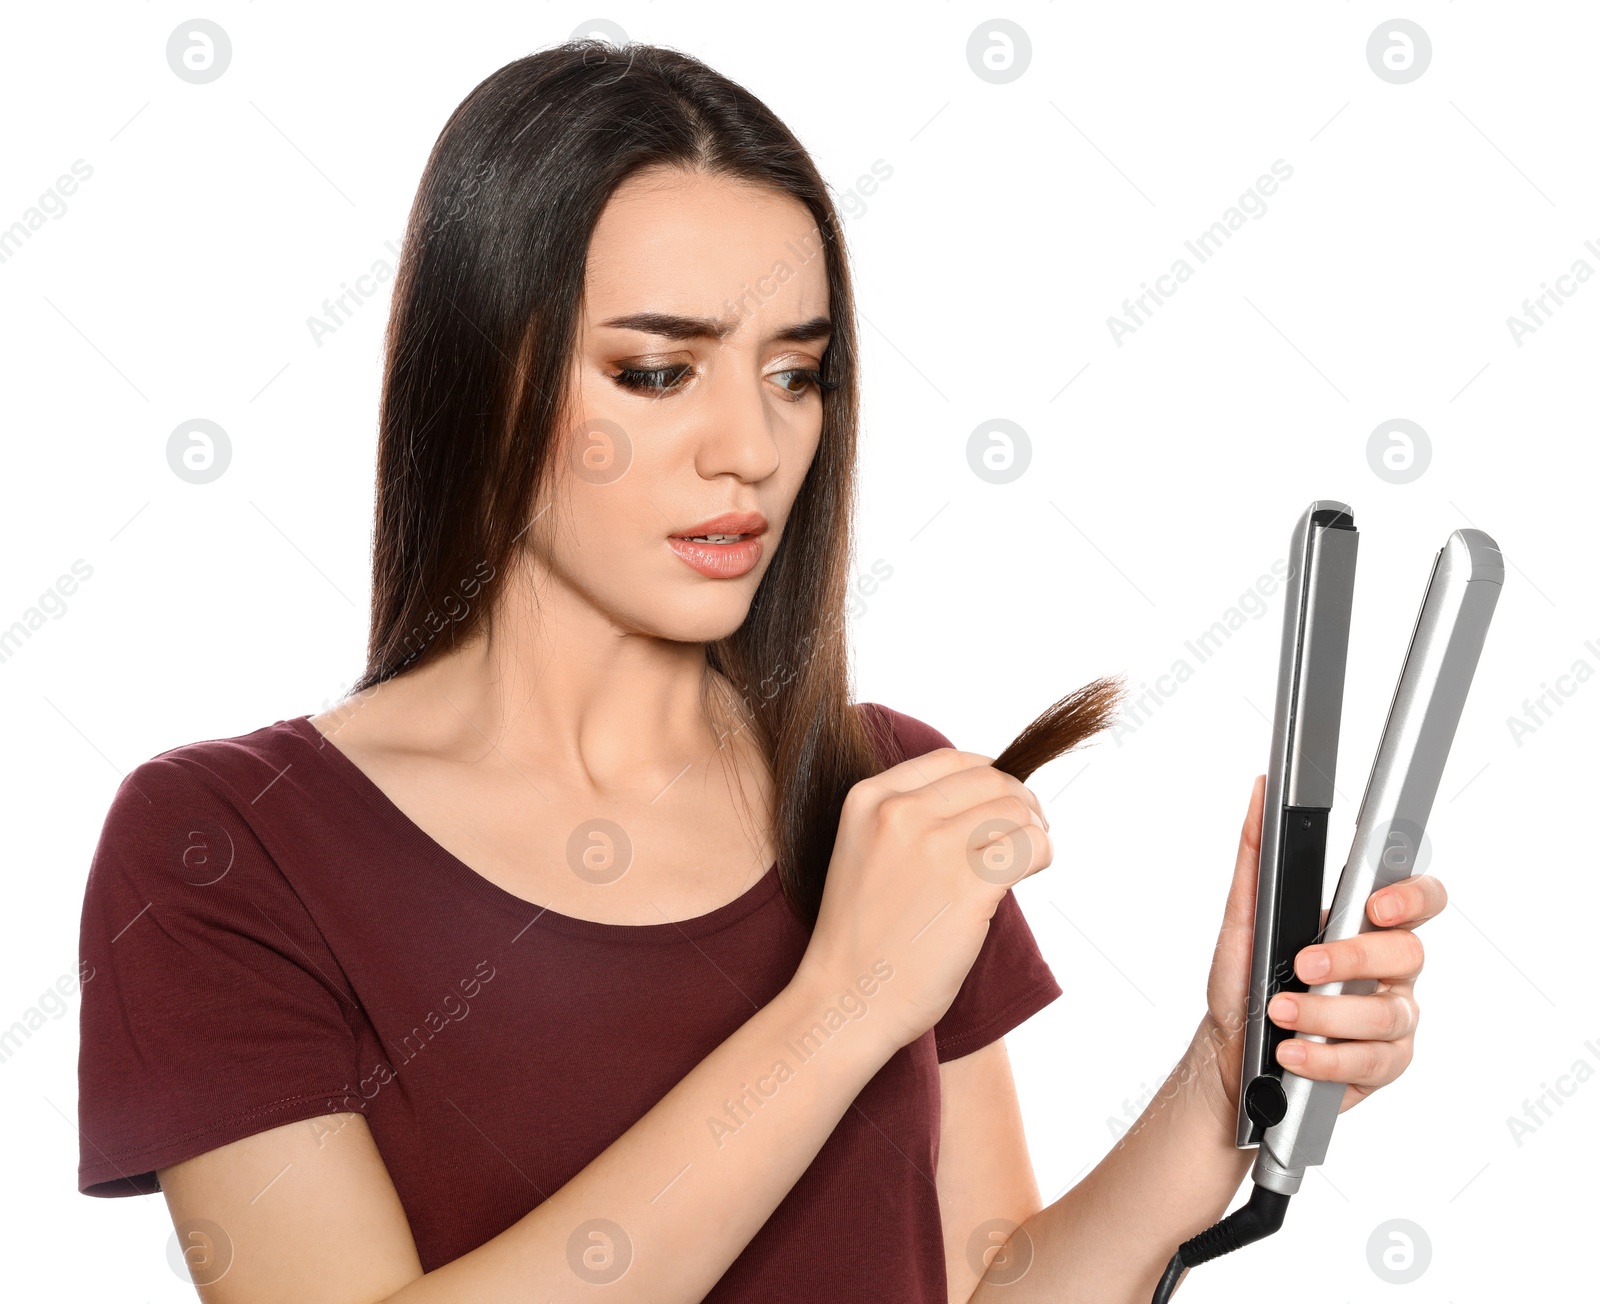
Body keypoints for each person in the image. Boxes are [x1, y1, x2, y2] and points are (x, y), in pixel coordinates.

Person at [75, 41, 1445, 1303]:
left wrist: (1220, 1084)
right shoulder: (226, 848)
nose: (751, 445)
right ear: (482, 371)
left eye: (796, 374)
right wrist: (842, 1007)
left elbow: (992, 1288)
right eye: (660, 373)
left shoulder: (885, 786)